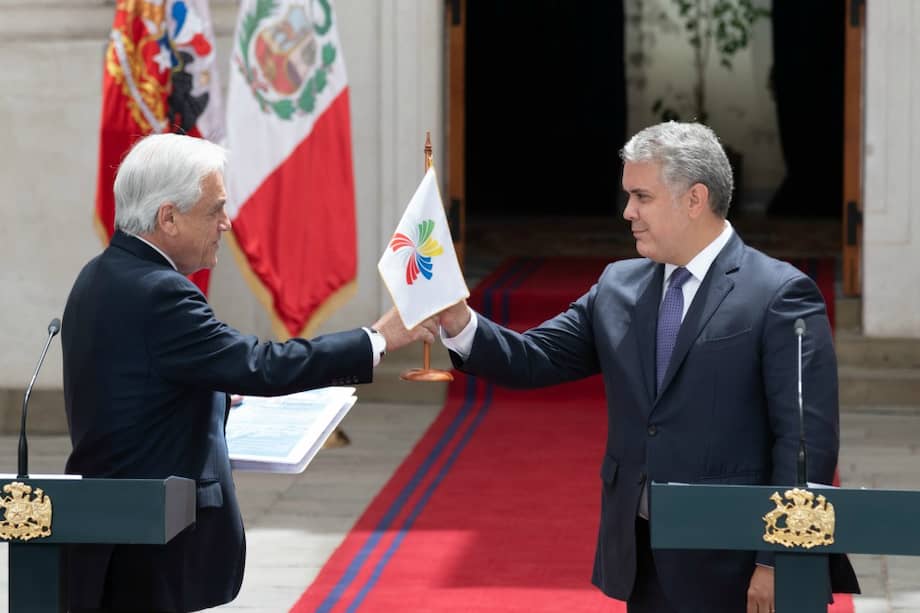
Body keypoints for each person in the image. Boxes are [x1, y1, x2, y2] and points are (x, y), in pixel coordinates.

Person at [436, 122, 859, 612]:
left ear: (694, 199)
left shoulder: (779, 293)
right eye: (628, 196)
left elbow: (806, 442)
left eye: (642, 197)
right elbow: (534, 357)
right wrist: (459, 322)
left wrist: (779, 559)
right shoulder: (618, 286)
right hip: (642, 554)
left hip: (736, 563)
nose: (627, 212)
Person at [61, 133, 434, 613]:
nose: (227, 223)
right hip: (148, 545)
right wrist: (378, 338)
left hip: (117, 534)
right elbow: (262, 365)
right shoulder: (159, 292)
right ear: (168, 217)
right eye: (214, 210)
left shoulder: (100, 274)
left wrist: (215, 396)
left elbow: (141, 385)